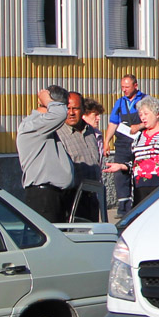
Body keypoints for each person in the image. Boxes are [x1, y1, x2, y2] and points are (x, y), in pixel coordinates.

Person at [107, 96, 159, 206]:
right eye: (140, 115)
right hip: (140, 188)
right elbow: (137, 162)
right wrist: (122, 166)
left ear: (157, 113)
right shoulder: (139, 137)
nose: (142, 118)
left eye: (146, 114)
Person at [15, 86, 74, 222]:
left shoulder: (46, 126)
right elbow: (59, 114)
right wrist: (47, 99)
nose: (68, 112)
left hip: (54, 195)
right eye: (65, 106)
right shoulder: (33, 124)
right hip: (43, 195)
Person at [105, 74, 146, 216]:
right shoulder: (120, 102)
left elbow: (154, 119)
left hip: (139, 142)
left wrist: (139, 126)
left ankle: (139, 205)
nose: (124, 90)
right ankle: (123, 208)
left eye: (127, 87)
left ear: (135, 86)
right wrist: (106, 142)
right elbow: (113, 123)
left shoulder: (145, 100)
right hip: (122, 143)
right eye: (122, 87)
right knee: (120, 175)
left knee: (137, 172)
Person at [58, 92, 103, 221]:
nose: (71, 113)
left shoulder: (90, 131)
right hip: (72, 200)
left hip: (92, 197)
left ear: (83, 110)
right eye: (68, 109)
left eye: (75, 108)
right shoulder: (58, 134)